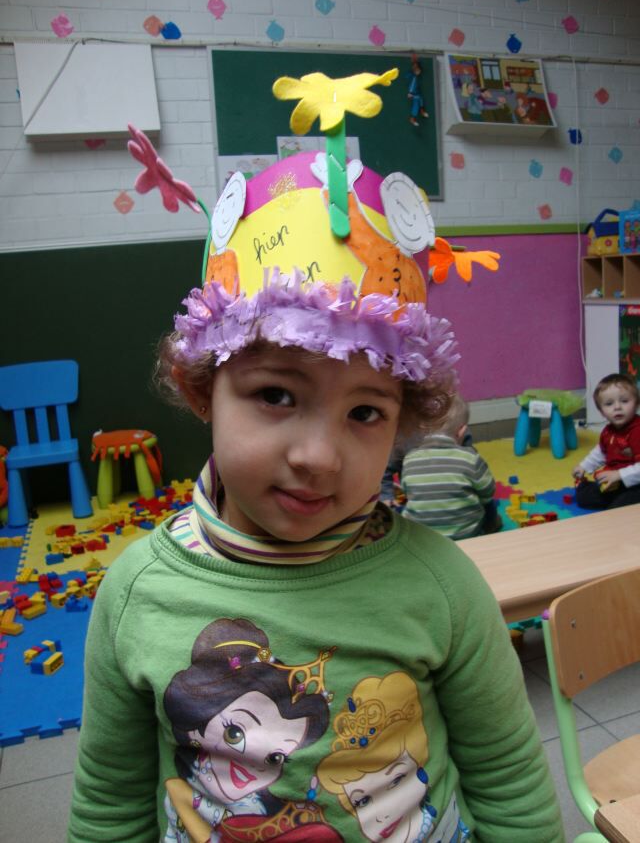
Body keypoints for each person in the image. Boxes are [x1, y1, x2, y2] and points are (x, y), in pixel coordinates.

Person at [69, 73, 563, 843]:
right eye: (275, 395)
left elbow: (511, 785)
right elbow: (109, 804)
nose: (319, 456)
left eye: (365, 412)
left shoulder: (442, 586)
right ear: (202, 389)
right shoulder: (137, 594)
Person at [400, 394, 502, 540]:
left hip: (422, 536)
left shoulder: (410, 458)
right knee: (488, 504)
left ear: (423, 428)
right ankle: (492, 527)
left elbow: (407, 491)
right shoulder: (470, 458)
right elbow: (488, 491)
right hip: (465, 533)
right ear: (462, 431)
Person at [572, 372, 640, 509]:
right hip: (615, 481)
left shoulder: (637, 431)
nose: (617, 407)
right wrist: (584, 466)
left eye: (624, 401)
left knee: (618, 509)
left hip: (636, 484)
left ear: (637, 404)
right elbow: (601, 452)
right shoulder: (608, 431)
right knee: (584, 497)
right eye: (609, 404)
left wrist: (619, 475)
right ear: (601, 411)